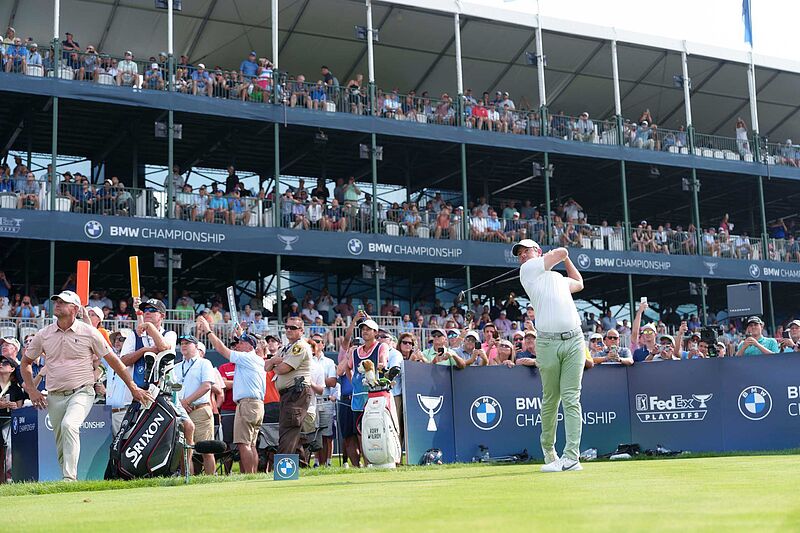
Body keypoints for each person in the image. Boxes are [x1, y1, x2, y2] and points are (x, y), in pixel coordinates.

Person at [21, 291, 152, 481]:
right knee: (60, 443)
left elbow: (114, 361)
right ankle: (66, 479)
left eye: (62, 302)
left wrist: (132, 386)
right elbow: (25, 363)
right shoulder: (44, 334)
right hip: (54, 395)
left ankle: (69, 478)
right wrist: (32, 391)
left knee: (69, 425)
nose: (57, 304)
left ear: (74, 309)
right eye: (56, 301)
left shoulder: (89, 332)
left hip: (82, 391)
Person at [513, 239, 585, 473]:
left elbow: (579, 283)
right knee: (551, 399)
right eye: (519, 253)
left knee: (571, 398)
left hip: (574, 340)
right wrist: (562, 254)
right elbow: (562, 250)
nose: (522, 255)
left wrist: (565, 258)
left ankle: (572, 456)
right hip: (547, 343)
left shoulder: (557, 279)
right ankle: (549, 452)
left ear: (539, 251)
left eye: (527, 251)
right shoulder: (528, 271)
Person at [197, 317, 265, 474]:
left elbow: (221, 349)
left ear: (249, 346)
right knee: (251, 444)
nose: (237, 346)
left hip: (248, 404)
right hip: (256, 404)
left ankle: (248, 475)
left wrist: (208, 330)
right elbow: (245, 344)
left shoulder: (247, 357)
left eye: (240, 343)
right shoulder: (256, 359)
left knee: (243, 444)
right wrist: (241, 334)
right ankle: (252, 475)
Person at [268, 316, 313, 462]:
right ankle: (301, 465)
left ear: (301, 330)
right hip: (288, 393)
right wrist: (275, 361)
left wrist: (275, 363)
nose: (288, 330)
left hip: (296, 392)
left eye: (293, 328)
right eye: (286, 327)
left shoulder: (300, 346)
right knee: (292, 430)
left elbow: (282, 369)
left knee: (288, 429)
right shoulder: (285, 348)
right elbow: (266, 366)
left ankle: (283, 468)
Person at [174, 334, 217, 475]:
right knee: (184, 450)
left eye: (188, 343)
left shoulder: (204, 363)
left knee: (206, 449)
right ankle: (187, 479)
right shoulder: (176, 366)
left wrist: (187, 401)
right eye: (182, 343)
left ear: (196, 346)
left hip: (199, 409)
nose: (184, 345)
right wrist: (181, 404)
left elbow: (206, 386)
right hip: (182, 411)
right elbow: (172, 389)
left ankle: (211, 480)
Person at [120, 299, 176, 389]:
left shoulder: (170, 334)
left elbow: (164, 348)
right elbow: (123, 362)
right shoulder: (134, 335)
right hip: (135, 394)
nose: (147, 313)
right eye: (145, 310)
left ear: (162, 315)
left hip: (161, 391)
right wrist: (144, 350)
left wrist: (149, 326)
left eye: (152, 310)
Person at [310, 331, 337, 467]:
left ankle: (328, 462)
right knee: (314, 433)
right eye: (313, 341)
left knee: (327, 434)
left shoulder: (329, 362)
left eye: (318, 341)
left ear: (323, 345)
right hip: (311, 400)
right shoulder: (307, 360)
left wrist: (316, 382)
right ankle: (316, 462)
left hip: (326, 400)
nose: (315, 343)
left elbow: (332, 381)